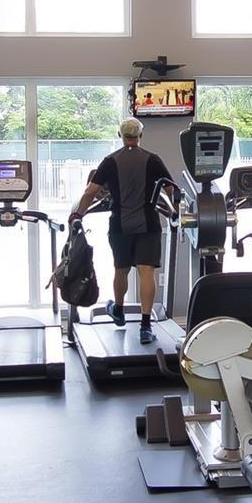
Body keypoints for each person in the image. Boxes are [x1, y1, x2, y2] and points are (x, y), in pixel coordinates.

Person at [69, 118, 173, 345]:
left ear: (120, 135)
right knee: (146, 271)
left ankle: (118, 310)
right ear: (140, 135)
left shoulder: (110, 161)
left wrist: (78, 214)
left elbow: (90, 192)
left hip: (120, 225)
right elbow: (170, 188)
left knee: (121, 269)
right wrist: (173, 209)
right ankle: (145, 327)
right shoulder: (153, 159)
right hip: (148, 224)